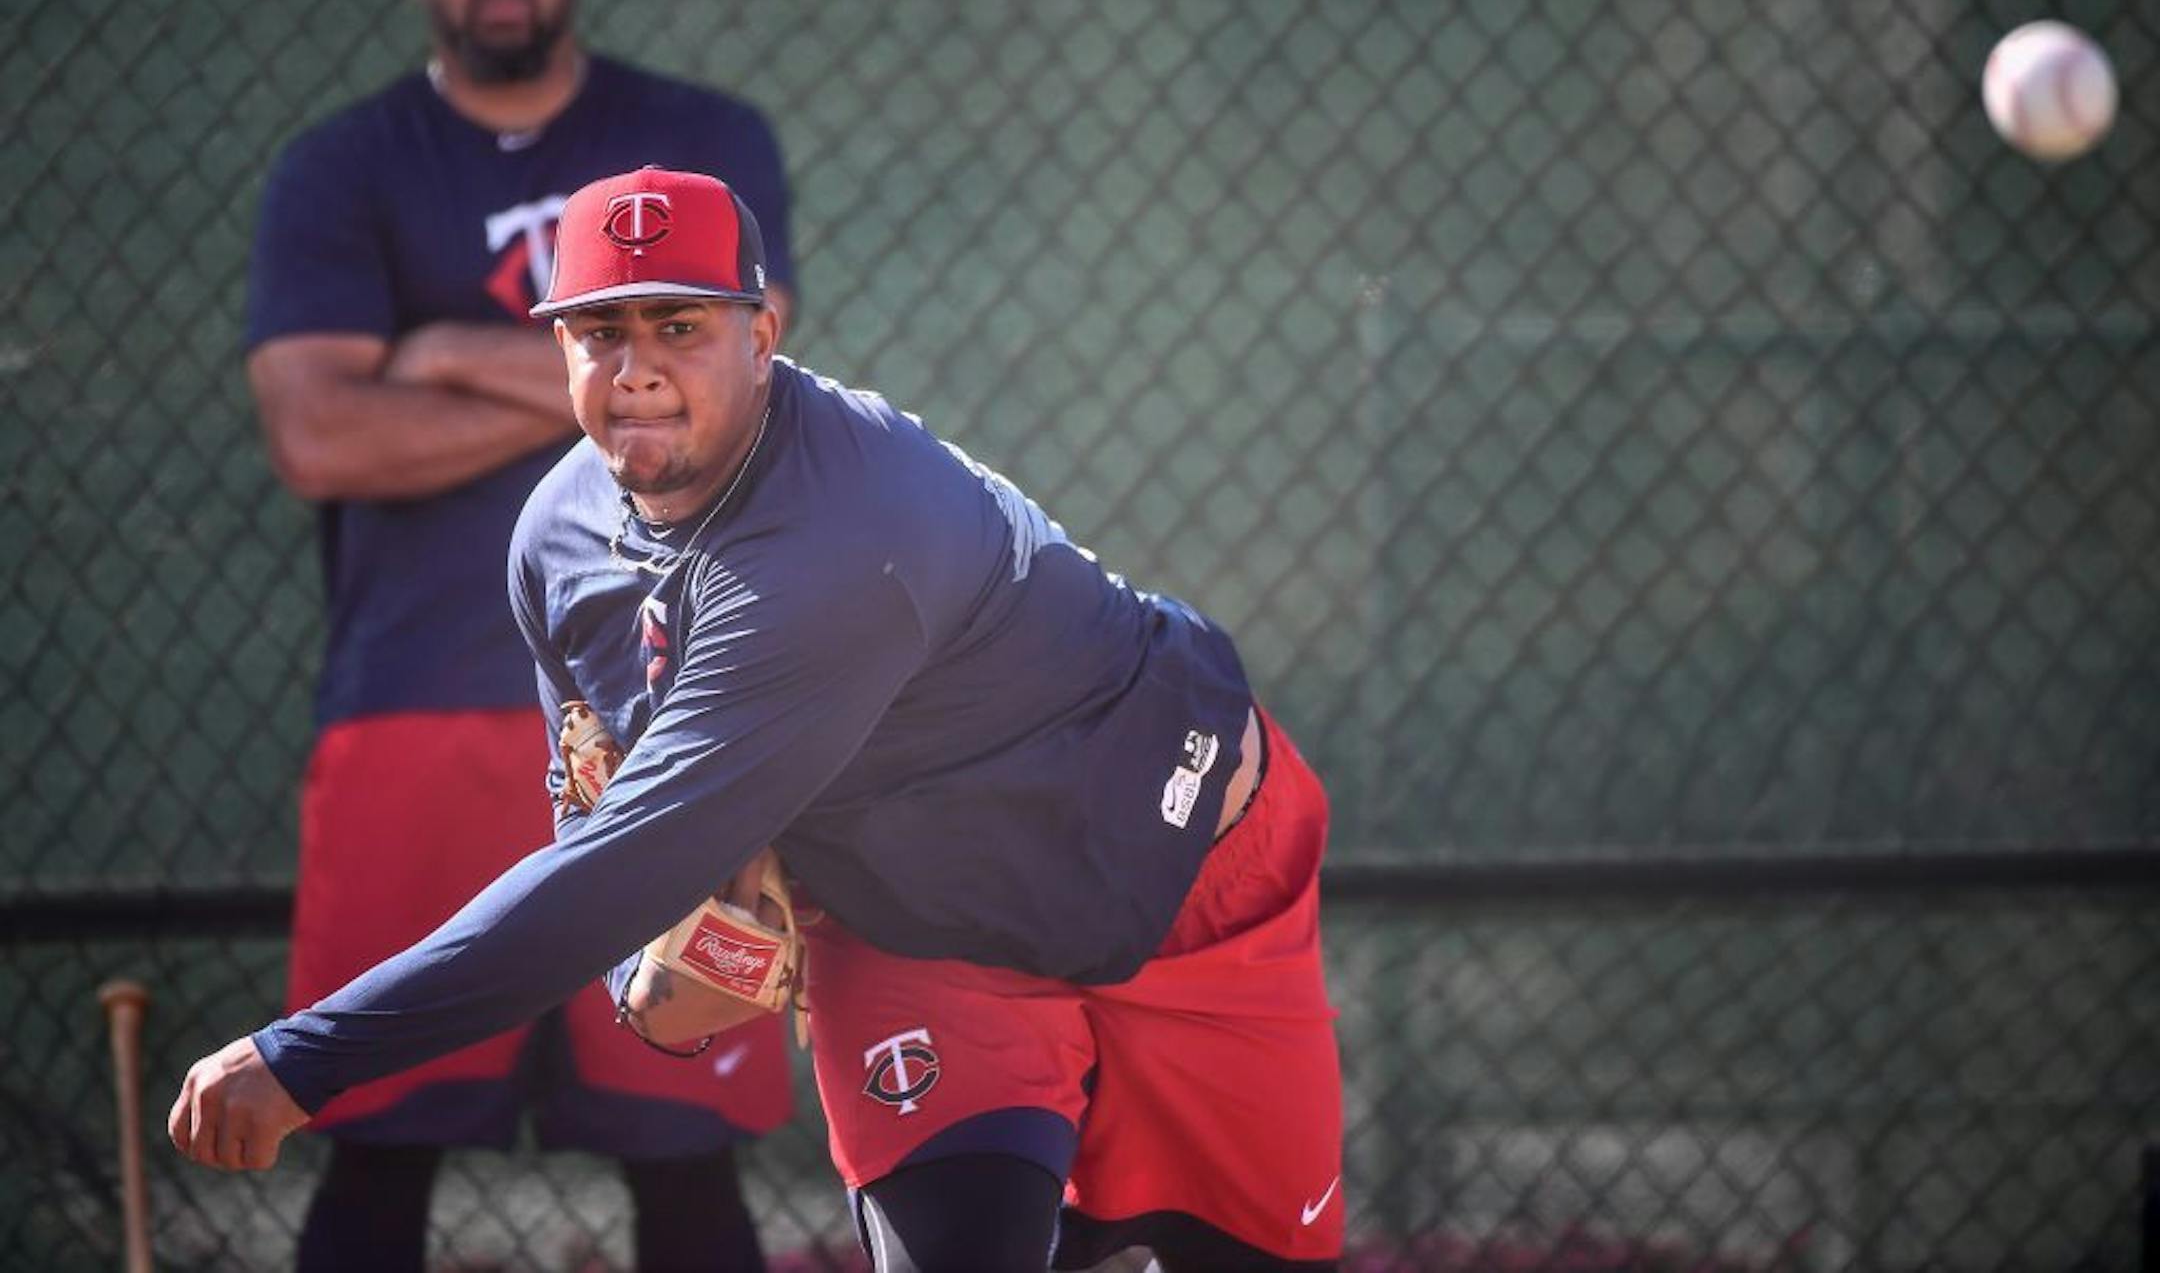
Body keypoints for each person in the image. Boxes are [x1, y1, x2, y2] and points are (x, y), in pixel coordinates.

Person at [178, 167, 1346, 1271]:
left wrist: (302, 1058)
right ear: (560, 349)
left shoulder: (843, 537)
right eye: (600, 332)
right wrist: (658, 938)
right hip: (923, 936)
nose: (634, 367)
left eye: (679, 326)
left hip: (1192, 883)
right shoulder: (558, 538)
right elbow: (597, 808)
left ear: (762, 337)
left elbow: (615, 869)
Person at [242, 0, 795, 1272]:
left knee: (688, 1167)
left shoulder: (701, 142)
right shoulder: (343, 166)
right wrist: (617, 374)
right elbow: (320, 436)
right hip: (416, 702)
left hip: (677, 701)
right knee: (376, 1148)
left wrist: (431, 349)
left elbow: (739, 398)